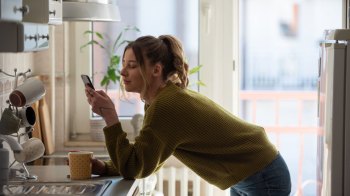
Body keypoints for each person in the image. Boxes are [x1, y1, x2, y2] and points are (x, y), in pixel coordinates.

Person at [84, 35, 291, 196]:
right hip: (254, 170)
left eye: (132, 66)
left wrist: (110, 116)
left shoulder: (166, 106)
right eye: (124, 64)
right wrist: (105, 168)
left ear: (156, 70)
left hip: (262, 173)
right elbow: (149, 158)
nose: (122, 72)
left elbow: (135, 167)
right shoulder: (161, 101)